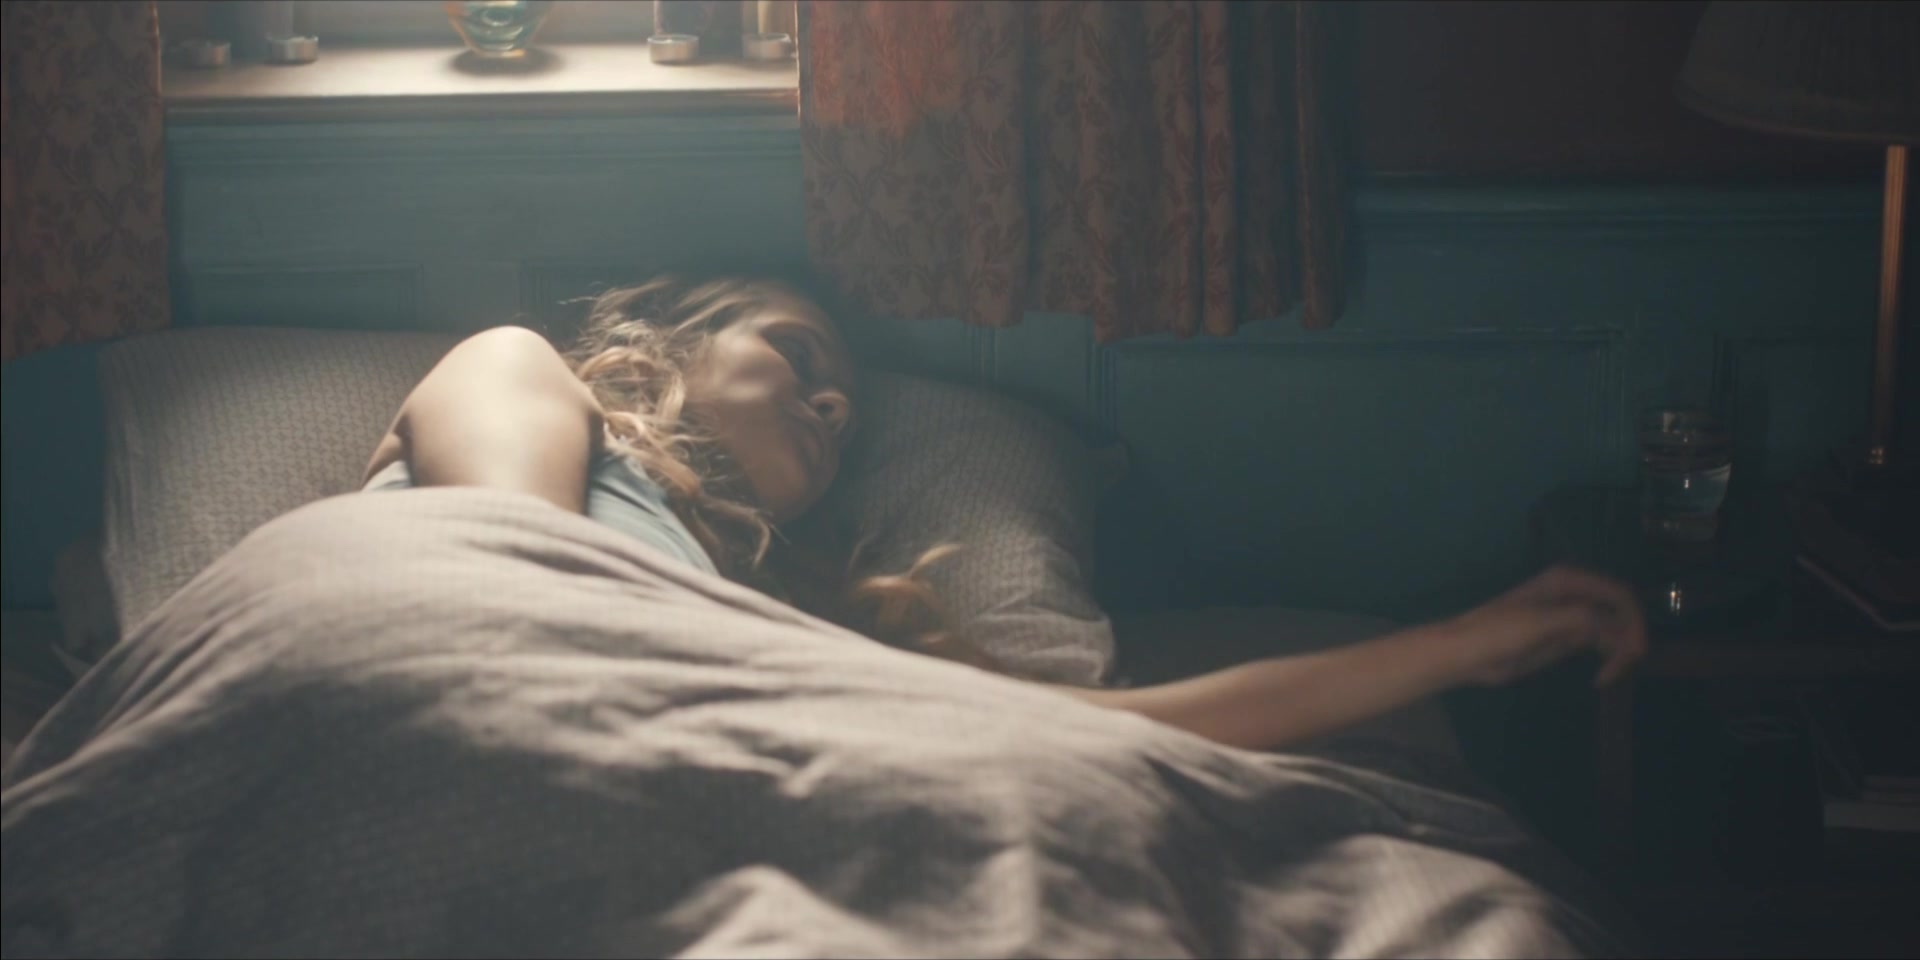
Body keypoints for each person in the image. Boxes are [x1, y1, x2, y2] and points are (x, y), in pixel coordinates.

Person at [363, 275, 1646, 753]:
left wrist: (1455, 650)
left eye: (843, 405)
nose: (832, 404)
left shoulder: (773, 627)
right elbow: (510, 591)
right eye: (797, 355)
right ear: (674, 339)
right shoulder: (515, 366)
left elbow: (1104, 734)